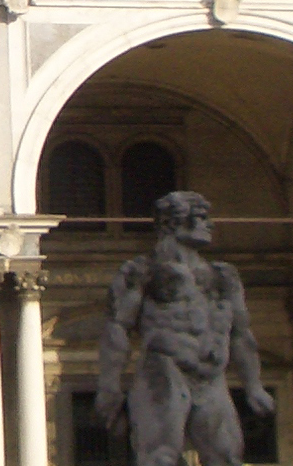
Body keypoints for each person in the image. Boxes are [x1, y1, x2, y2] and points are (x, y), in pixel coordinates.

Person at [95, 191, 273, 466]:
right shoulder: (144, 271)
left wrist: (253, 385)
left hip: (211, 377)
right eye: (201, 218)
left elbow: (241, 334)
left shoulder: (224, 275)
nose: (209, 224)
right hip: (164, 369)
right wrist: (109, 385)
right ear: (171, 222)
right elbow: (117, 328)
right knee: (160, 458)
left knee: (226, 456)